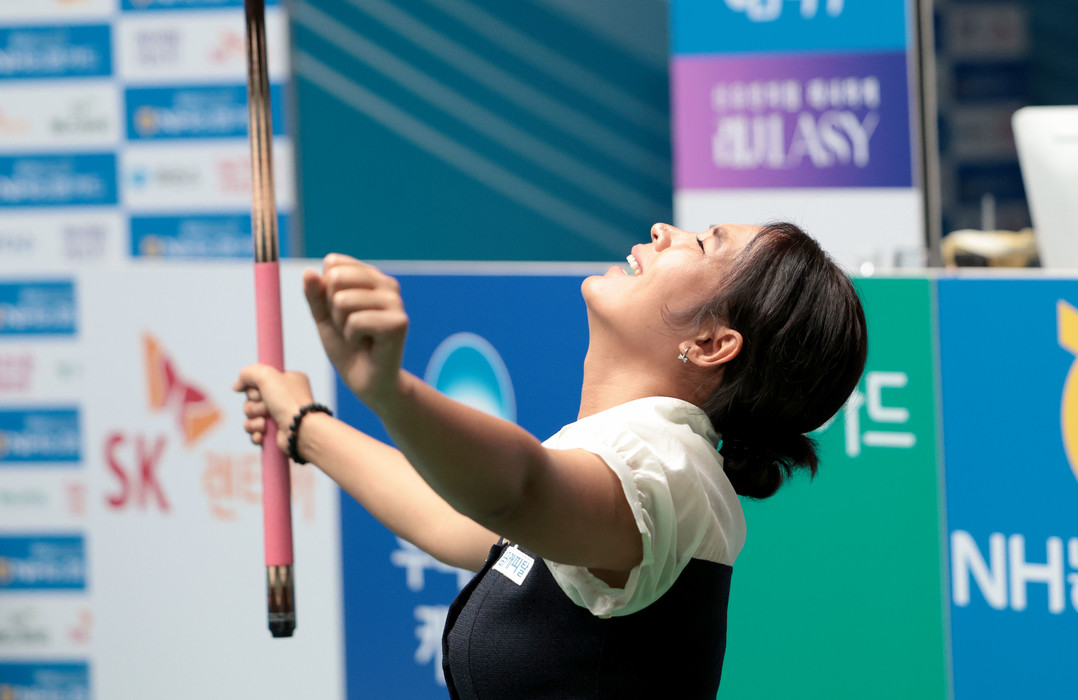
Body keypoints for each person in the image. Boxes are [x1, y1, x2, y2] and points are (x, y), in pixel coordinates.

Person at [234, 221, 868, 698]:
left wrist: (390, 392)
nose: (663, 230)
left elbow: (519, 492)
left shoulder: (667, 467)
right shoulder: (634, 457)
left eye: (702, 244)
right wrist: (305, 425)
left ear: (710, 343)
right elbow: (454, 519)